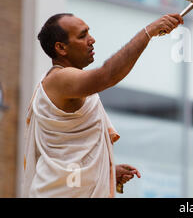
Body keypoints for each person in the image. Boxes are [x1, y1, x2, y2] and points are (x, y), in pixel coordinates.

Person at [23, 12, 183, 197]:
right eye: (82, 36)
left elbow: (70, 155)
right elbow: (107, 75)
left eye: (88, 33)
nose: (92, 40)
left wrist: (104, 171)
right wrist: (148, 32)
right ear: (61, 48)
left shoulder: (69, 83)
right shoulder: (60, 78)